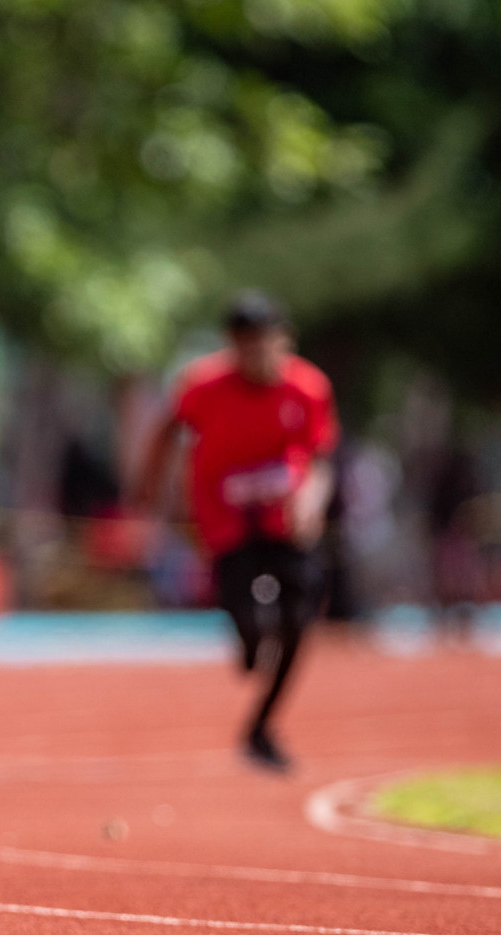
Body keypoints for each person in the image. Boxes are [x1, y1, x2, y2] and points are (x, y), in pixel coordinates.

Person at [134, 291, 338, 772]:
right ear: (231, 345)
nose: (255, 354)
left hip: (286, 519)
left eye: (264, 342)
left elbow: (322, 456)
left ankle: (261, 727)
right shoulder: (203, 386)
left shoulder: (308, 388)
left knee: (298, 619)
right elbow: (167, 431)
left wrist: (312, 500)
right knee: (245, 617)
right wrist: (148, 488)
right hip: (224, 519)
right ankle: (248, 642)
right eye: (243, 344)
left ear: (284, 340)